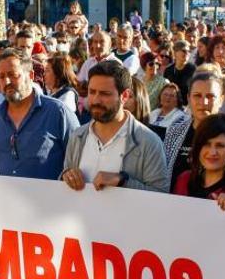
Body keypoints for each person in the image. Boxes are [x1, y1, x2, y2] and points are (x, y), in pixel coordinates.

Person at [61, 61, 168, 193]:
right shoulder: (77, 136)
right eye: (92, 92)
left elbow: (161, 195)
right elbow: (66, 183)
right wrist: (67, 177)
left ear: (125, 96)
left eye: (105, 94)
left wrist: (122, 181)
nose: (95, 100)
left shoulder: (148, 142)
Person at [0, 49, 79, 179]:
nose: (6, 82)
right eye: (1, 76)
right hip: (7, 196)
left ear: (30, 75)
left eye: (13, 75)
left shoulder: (58, 112)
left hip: (51, 197)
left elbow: (78, 160)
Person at [164, 72, 224, 190]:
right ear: (188, 98)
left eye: (210, 96)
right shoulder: (174, 132)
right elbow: (163, 172)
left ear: (221, 100)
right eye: (197, 95)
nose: (203, 102)